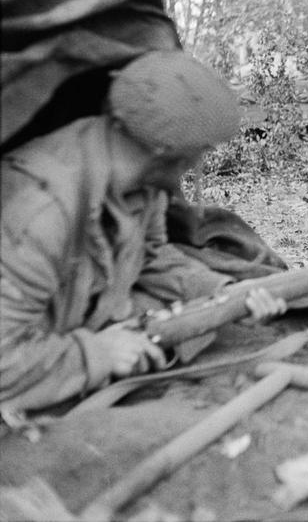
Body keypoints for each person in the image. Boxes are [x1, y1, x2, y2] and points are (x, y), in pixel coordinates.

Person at [0, 50, 286, 413]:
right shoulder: (42, 212)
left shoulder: (144, 183)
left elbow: (152, 259)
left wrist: (224, 293)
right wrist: (95, 355)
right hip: (25, 354)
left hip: (74, 325)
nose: (198, 163)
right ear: (168, 150)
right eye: (200, 151)